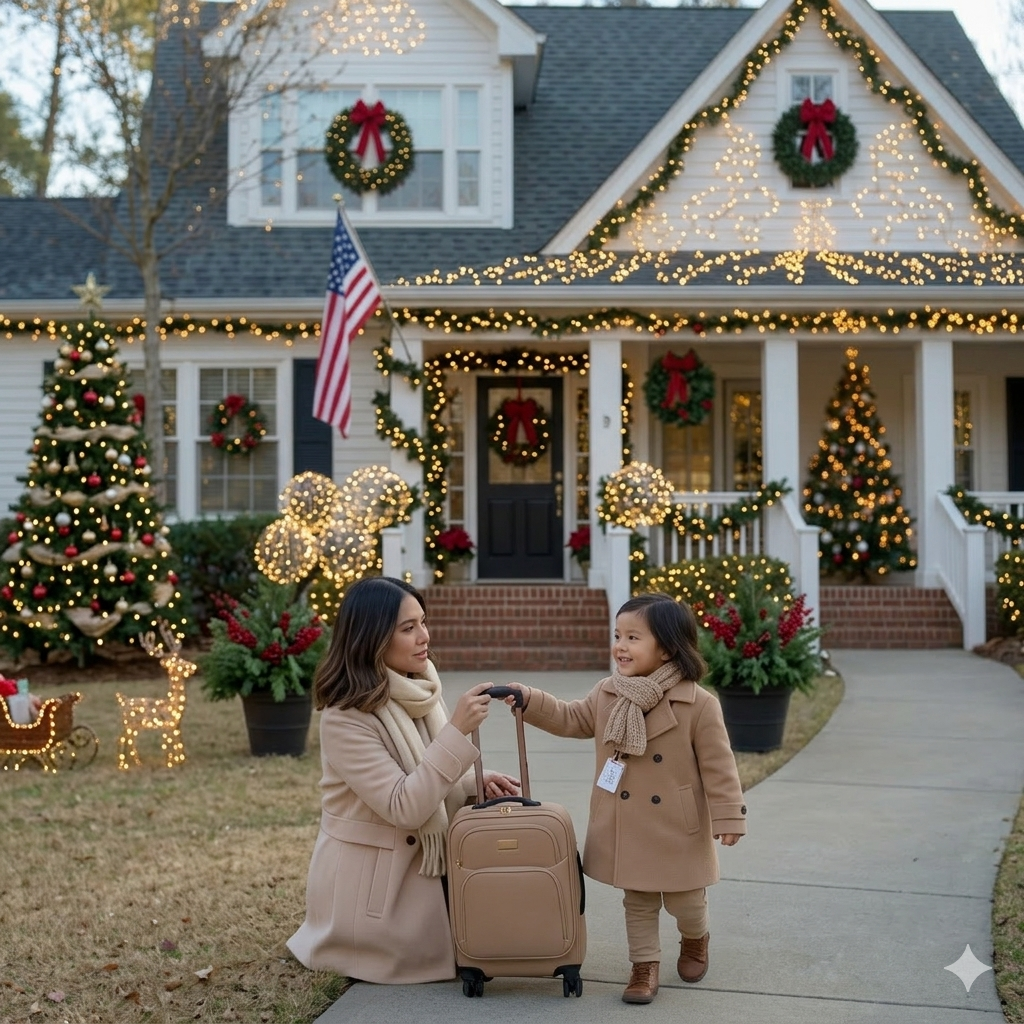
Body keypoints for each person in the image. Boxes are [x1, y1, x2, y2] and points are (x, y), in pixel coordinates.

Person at [505, 592, 746, 1005]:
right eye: (618, 635)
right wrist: (531, 699)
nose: (620, 646)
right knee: (638, 901)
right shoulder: (608, 693)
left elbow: (719, 766)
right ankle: (644, 966)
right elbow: (571, 717)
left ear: (667, 648)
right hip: (629, 822)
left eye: (633, 637)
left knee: (686, 902)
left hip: (678, 826)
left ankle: (695, 938)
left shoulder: (699, 704)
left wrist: (729, 817)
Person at [287, 576, 519, 984]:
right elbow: (404, 806)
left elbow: (425, 771)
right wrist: (457, 732)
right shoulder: (345, 716)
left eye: (423, 622)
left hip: (427, 873)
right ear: (372, 638)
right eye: (408, 628)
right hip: (377, 889)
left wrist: (471, 783)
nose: (424, 636)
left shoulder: (419, 689)